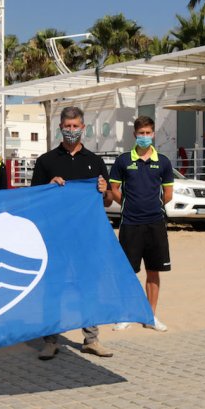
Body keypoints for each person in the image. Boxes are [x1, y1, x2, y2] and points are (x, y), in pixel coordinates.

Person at [30, 106, 114, 360]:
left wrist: (104, 189)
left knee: (88, 287)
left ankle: (91, 339)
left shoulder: (95, 161)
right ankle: (50, 340)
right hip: (55, 237)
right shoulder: (46, 161)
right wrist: (49, 186)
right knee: (53, 288)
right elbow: (34, 200)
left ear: (83, 128)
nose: (71, 130)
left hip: (86, 238)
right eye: (67, 126)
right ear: (60, 128)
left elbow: (108, 201)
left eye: (75, 126)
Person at [109, 116, 174, 332]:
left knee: (153, 271)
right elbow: (114, 190)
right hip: (130, 224)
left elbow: (168, 194)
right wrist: (129, 203)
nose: (145, 137)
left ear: (153, 134)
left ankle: (150, 316)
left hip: (155, 224)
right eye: (141, 133)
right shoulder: (123, 161)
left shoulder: (163, 161)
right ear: (134, 134)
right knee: (128, 272)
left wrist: (152, 206)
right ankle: (126, 315)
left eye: (148, 133)